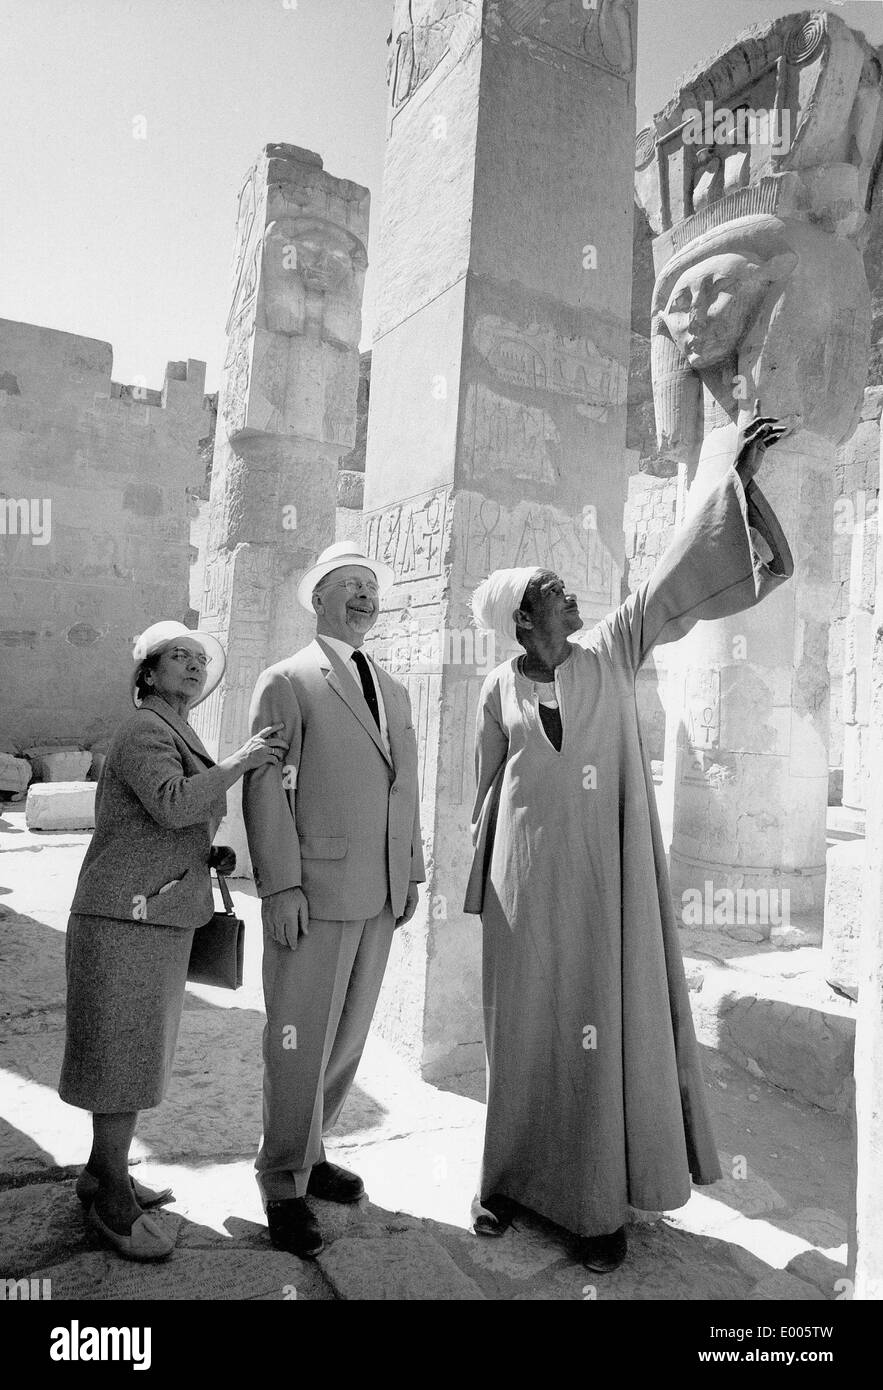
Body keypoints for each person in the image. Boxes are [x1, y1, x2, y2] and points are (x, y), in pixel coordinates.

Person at [465, 411, 792, 1272]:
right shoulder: (496, 687)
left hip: (602, 885)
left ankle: (595, 1209)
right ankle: (501, 1183)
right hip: (519, 891)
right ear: (524, 616)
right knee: (524, 1034)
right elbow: (485, 790)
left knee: (594, 1030)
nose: (575, 598)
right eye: (557, 593)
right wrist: (472, 888)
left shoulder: (608, 650)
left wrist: (736, 481)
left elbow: (668, 583)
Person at [58, 620, 286, 1262]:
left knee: (134, 1053)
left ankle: (105, 1171)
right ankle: (110, 1202)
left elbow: (168, 818)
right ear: (148, 674)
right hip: (124, 919)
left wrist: (198, 852)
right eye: (176, 657)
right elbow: (172, 803)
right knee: (120, 1058)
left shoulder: (172, 727)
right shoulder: (144, 729)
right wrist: (242, 761)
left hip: (150, 915)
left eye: (197, 659)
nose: (190, 665)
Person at [243, 541, 425, 1257]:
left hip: (378, 891)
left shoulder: (394, 687)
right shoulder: (287, 679)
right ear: (317, 597)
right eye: (348, 586)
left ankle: (313, 1152)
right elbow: (265, 787)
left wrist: (408, 871)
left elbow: (404, 786)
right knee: (297, 1039)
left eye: (370, 589)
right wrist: (280, 884)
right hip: (312, 893)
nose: (363, 599)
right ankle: (280, 1179)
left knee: (347, 1037)